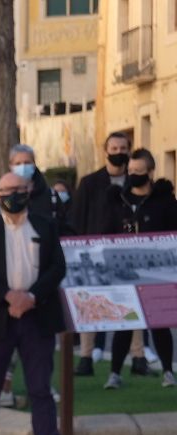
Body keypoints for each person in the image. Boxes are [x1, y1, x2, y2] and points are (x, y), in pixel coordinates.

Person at [0, 169, 70, 435]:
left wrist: (31, 297)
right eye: (5, 192)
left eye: (17, 189)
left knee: (40, 388)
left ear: (28, 191)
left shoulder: (45, 225)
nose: (11, 196)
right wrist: (7, 296)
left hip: (37, 316)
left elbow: (57, 267)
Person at [103, 151, 177, 389]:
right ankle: (115, 373)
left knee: (159, 323)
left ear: (150, 172)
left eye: (138, 172)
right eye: (130, 171)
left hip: (158, 274)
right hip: (125, 273)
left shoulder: (165, 202)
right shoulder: (118, 202)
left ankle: (168, 371)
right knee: (124, 322)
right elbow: (106, 233)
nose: (133, 175)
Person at [70, 129, 133, 375]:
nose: (119, 153)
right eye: (114, 149)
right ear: (105, 151)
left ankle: (136, 356)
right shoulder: (89, 183)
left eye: (123, 149)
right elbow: (77, 219)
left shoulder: (134, 182)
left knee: (130, 307)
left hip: (127, 256)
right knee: (90, 307)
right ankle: (86, 357)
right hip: (94, 255)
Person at [6, 145, 57, 225]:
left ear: (34, 164)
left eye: (27, 163)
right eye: (18, 163)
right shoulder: (4, 195)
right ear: (11, 166)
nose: (23, 167)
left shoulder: (51, 195)